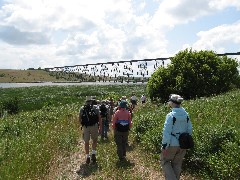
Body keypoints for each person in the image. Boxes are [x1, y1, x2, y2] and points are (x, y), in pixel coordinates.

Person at [160, 94, 192, 180]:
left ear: (172, 103)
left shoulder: (170, 116)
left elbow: (166, 132)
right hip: (183, 144)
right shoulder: (186, 115)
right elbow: (190, 129)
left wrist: (164, 146)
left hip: (171, 144)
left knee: (165, 161)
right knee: (177, 164)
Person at [79, 96, 102, 164]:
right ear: (91, 101)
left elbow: (79, 118)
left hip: (86, 127)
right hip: (94, 126)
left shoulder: (82, 108)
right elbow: (99, 118)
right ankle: (93, 153)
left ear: (86, 102)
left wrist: (82, 125)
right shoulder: (95, 108)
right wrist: (100, 127)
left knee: (86, 142)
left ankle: (87, 156)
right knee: (94, 140)